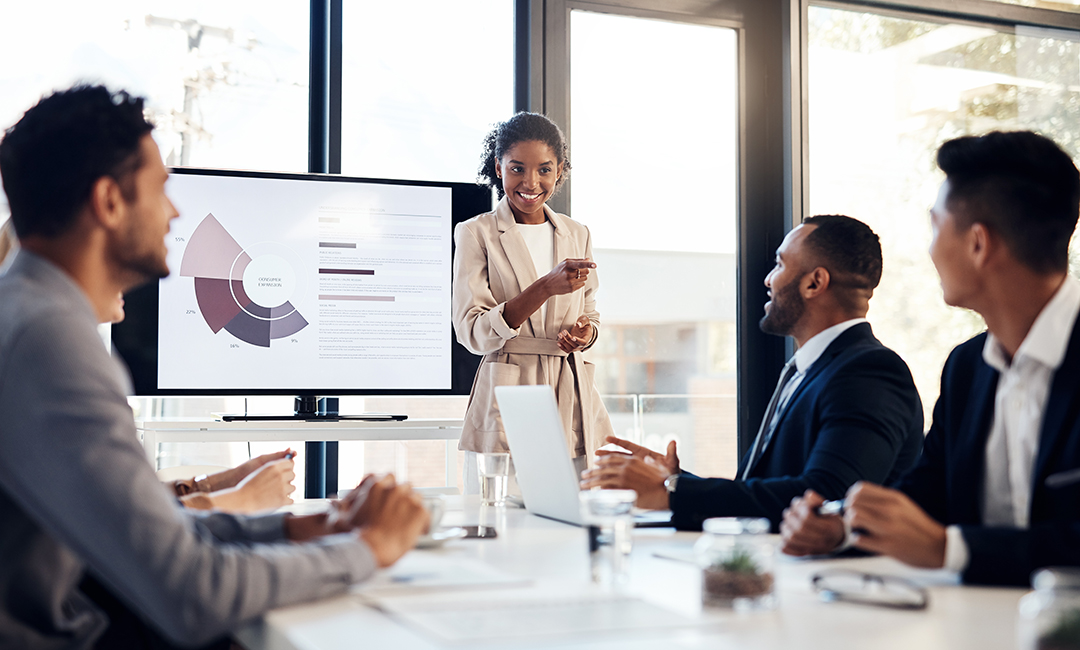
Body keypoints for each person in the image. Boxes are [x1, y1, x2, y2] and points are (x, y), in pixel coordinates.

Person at [0, 84, 429, 649]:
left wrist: (298, 526)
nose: (175, 211)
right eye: (160, 188)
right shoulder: (49, 340)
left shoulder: (25, 311)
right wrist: (368, 548)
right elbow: (192, 592)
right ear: (108, 202)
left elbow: (143, 529)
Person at [781, 131, 1080, 586]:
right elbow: (928, 493)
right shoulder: (967, 367)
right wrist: (843, 527)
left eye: (936, 227)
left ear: (979, 244)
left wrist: (948, 550)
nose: (930, 250)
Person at [581, 215, 924, 530]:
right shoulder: (808, 370)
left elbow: (825, 497)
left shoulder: (870, 372)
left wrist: (672, 491)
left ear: (814, 283)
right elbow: (767, 489)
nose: (768, 279)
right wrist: (675, 480)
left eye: (779, 264)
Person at [0, 239, 299, 516]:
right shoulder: (59, 366)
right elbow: (124, 525)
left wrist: (213, 485)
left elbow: (113, 498)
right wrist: (244, 499)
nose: (127, 274)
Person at [452, 112, 614, 483]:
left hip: (571, 389)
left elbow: (590, 313)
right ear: (498, 168)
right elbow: (472, 331)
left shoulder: (577, 233)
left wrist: (584, 334)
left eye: (544, 169)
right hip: (511, 394)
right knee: (501, 520)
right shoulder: (476, 233)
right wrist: (544, 287)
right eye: (517, 169)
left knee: (573, 519)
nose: (530, 182)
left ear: (560, 171)